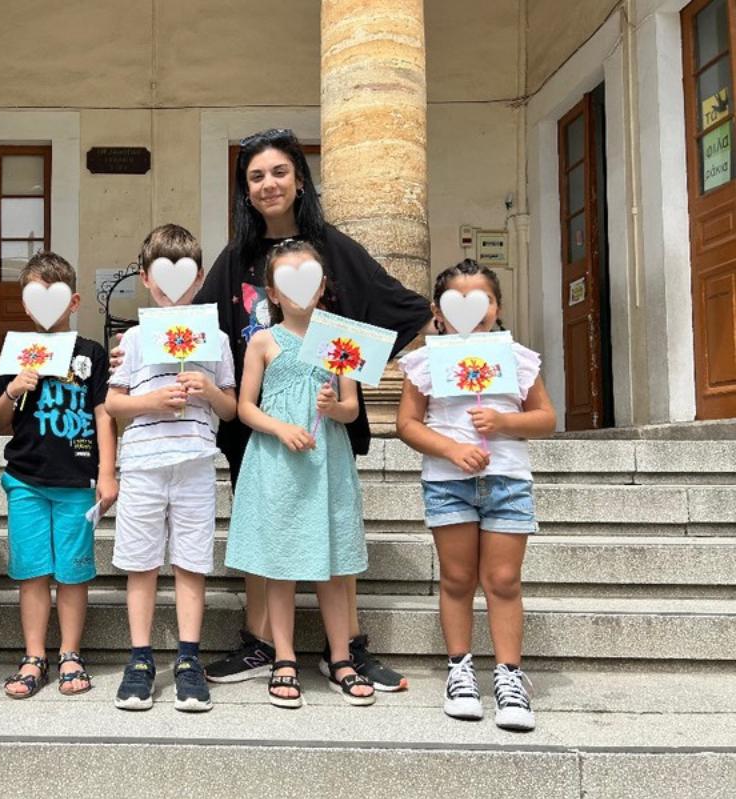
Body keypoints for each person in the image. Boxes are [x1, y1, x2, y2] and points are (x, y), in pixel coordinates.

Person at [193, 129, 431, 690]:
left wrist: (356, 367)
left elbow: (405, 310)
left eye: (279, 172)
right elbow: (199, 325)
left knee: (333, 531)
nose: (268, 184)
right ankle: (260, 645)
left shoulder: (335, 250)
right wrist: (143, 348)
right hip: (261, 426)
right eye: (255, 176)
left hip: (326, 426)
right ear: (245, 190)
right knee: (268, 536)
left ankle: (346, 648)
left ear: (299, 179)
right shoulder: (236, 258)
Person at [396, 259, 554, 732]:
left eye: (481, 300)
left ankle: (509, 675)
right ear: (437, 312)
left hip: (507, 481)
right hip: (448, 484)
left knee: (503, 580)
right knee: (457, 578)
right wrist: (452, 449)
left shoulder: (517, 358)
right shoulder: (424, 362)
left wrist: (504, 422)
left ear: (496, 307)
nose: (470, 310)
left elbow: (545, 418)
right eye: (456, 301)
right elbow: (407, 423)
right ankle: (460, 670)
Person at [225, 239, 375, 709]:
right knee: (281, 565)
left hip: (326, 462)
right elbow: (245, 407)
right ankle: (284, 657)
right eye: (287, 282)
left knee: (332, 566)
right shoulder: (262, 342)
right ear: (272, 292)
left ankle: (341, 657)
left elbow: (352, 408)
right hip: (277, 464)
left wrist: (334, 407)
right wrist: (281, 427)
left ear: (322, 285)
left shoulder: (340, 338)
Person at [105, 225, 238, 712]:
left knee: (191, 562)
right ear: (145, 278)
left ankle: (188, 659)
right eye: (160, 275)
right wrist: (152, 401)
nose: (171, 285)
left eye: (182, 275)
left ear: (199, 278)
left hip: (196, 462)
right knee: (141, 564)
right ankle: (140, 658)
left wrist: (210, 390)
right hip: (143, 462)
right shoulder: (134, 339)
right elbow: (113, 403)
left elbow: (231, 409)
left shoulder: (216, 339)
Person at [0, 252, 118, 699]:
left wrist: (107, 472)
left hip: (76, 481)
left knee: (73, 573)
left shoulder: (91, 353)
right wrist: (12, 389)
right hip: (25, 480)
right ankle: (33, 655)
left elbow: (103, 413)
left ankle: (70, 652)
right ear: (26, 305)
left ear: (73, 301)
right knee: (32, 572)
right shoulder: (15, 352)